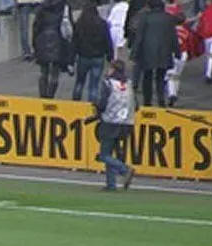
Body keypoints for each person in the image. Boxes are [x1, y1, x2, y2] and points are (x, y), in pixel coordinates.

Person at [92, 58, 136, 189]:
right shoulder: (129, 84)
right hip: (127, 123)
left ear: (113, 69)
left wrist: (97, 108)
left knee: (104, 154)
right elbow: (136, 105)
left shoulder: (108, 83)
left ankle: (124, 170)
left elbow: (103, 103)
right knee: (111, 153)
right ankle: (111, 184)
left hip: (110, 122)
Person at [132, 0, 180, 105]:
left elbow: (139, 37)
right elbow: (173, 37)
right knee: (161, 77)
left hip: (147, 51)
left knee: (147, 77)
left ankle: (147, 101)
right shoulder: (169, 18)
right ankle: (161, 100)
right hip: (164, 52)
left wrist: (134, 53)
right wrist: (177, 51)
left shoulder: (145, 18)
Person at [72, 2, 115, 102]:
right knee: (94, 85)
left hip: (83, 56)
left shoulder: (80, 23)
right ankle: (92, 106)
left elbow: (75, 41)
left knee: (79, 82)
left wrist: (72, 57)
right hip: (98, 57)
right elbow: (107, 41)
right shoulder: (102, 24)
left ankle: (75, 103)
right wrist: (110, 57)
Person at [165, 1, 200, 105]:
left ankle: (172, 94)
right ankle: (175, 93)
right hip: (183, 55)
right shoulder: (187, 32)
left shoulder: (169, 31)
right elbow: (191, 45)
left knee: (170, 75)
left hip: (172, 54)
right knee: (177, 76)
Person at [33, 0, 69, 98]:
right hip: (58, 41)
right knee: (55, 73)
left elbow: (36, 27)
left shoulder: (41, 8)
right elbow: (68, 27)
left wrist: (35, 45)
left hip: (42, 41)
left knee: (43, 72)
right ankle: (51, 96)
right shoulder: (63, 7)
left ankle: (43, 96)